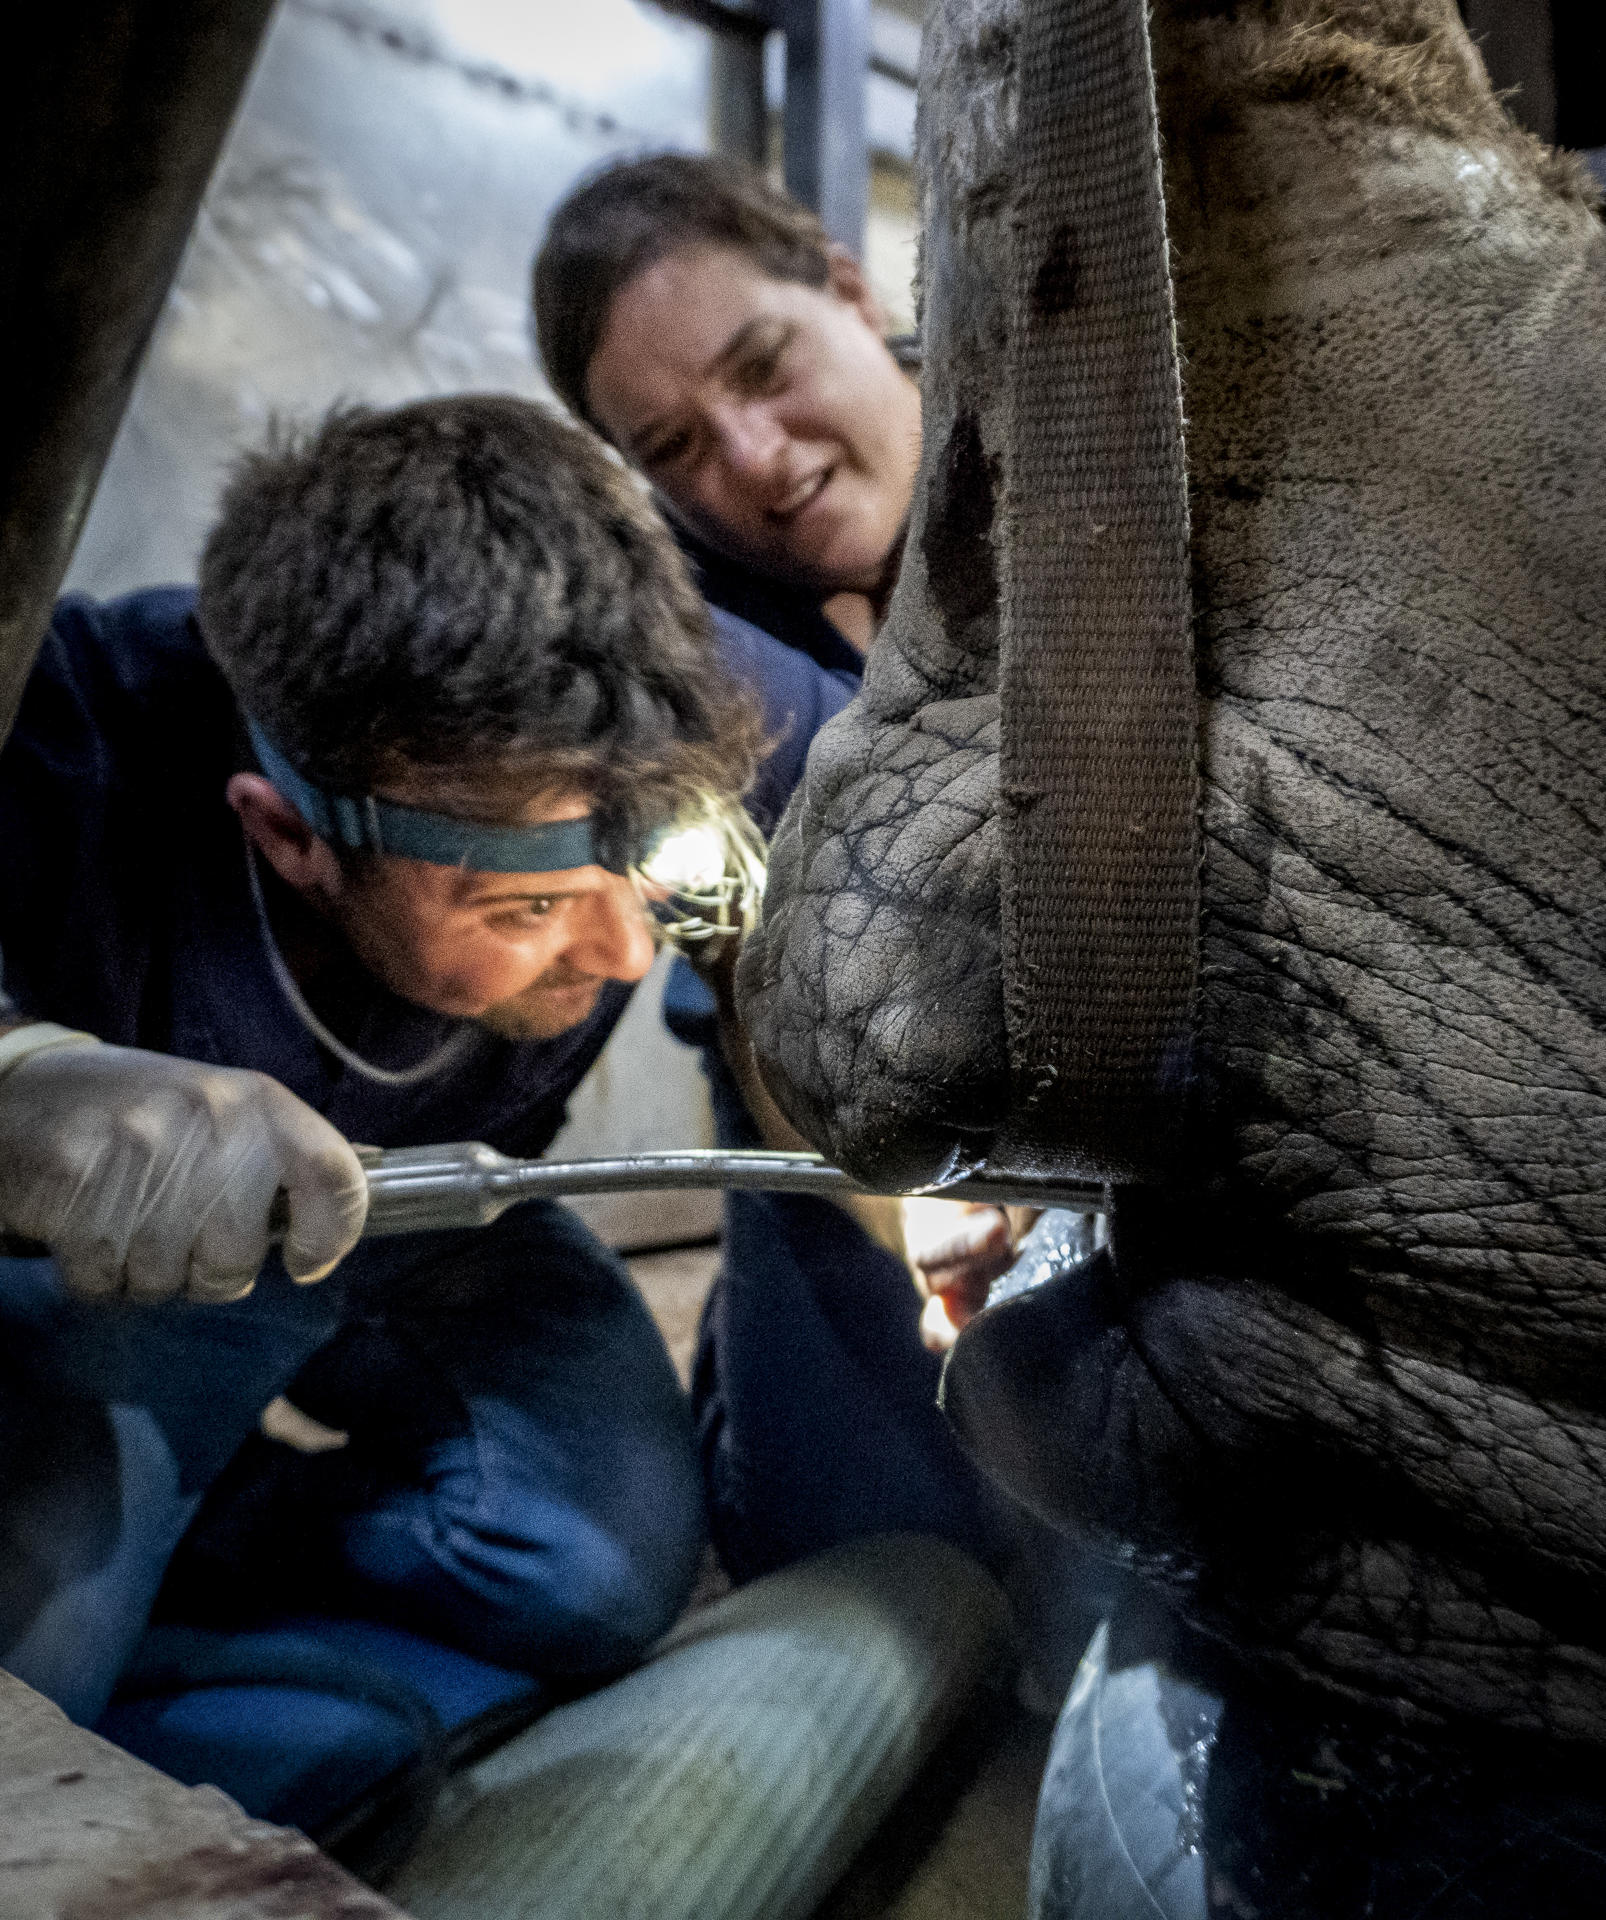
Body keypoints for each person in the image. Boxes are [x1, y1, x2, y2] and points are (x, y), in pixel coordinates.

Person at [0, 392, 844, 1832]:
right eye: (522, 907)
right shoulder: (64, 732)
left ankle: (218, 1553)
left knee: (600, 1574)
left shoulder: (672, 687)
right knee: (30, 1694)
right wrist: (15, 1077)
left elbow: (921, 818)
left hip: (443, 1216)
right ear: (289, 835)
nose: (620, 957)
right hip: (137, 1278)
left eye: (641, 880)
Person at [533, 157, 1052, 1599]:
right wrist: (923, 1226)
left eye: (763, 366)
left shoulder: (1075, 462)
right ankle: (762, 1373)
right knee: (859, 1549)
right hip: (838, 1116)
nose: (754, 462)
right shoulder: (694, 661)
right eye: (677, 446)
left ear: (840, 281)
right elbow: (767, 1021)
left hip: (1129, 1072)